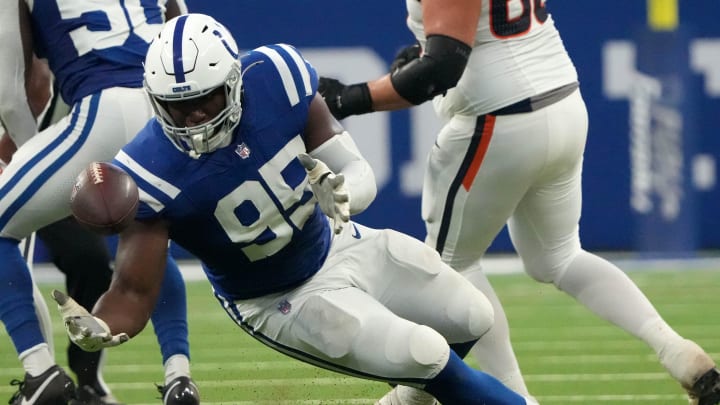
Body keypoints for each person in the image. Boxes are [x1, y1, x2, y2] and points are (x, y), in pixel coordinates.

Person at [52, 13, 542, 405]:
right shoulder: (148, 169)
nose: (194, 116)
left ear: (235, 79)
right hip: (277, 298)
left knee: (473, 316)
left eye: (205, 98)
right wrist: (102, 325)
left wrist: (344, 192)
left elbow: (354, 169)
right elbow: (134, 291)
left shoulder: (274, 78)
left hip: (339, 244)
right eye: (178, 106)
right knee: (426, 352)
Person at [316, 1, 720, 404]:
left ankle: (511, 399)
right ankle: (676, 351)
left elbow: (442, 67)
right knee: (559, 257)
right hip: (560, 99)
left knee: (448, 271)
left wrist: (347, 98)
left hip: (499, 117)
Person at [0, 0, 200, 403]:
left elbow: (9, 94)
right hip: (164, 115)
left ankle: (40, 372)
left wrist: (28, 163)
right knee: (150, 233)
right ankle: (180, 377)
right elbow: (192, 36)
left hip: (101, 110)